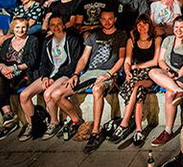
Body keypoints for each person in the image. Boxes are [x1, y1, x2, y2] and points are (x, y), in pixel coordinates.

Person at [46, 9, 127, 153]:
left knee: (97, 89)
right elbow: (84, 58)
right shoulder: (93, 35)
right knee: (56, 95)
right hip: (89, 73)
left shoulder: (120, 35)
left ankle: (95, 132)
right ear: (100, 20)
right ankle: (77, 121)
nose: (107, 22)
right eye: (103, 19)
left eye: (110, 19)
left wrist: (109, 74)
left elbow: (121, 59)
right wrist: (76, 74)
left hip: (108, 74)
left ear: (115, 19)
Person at [17, 14, 82, 141]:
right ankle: (33, 125)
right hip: (50, 75)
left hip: (64, 75)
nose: (56, 27)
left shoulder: (73, 39)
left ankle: (54, 122)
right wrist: (46, 76)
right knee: (24, 95)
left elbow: (74, 63)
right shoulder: (47, 41)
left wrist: (54, 77)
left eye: (59, 24)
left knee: (48, 94)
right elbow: (44, 62)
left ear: (63, 25)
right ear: (49, 27)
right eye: (53, 25)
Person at [148, 16, 183, 146]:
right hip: (170, 72)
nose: (178, 30)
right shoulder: (168, 40)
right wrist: (168, 71)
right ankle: (178, 90)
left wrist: (178, 75)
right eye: (176, 27)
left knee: (169, 94)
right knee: (152, 72)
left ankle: (168, 130)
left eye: (182, 27)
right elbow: (160, 61)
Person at [111, 15, 161, 146]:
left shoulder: (156, 39)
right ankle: (138, 130)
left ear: (150, 25)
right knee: (137, 89)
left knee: (137, 85)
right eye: (139, 24)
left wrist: (136, 66)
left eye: (145, 24)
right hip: (135, 74)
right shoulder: (131, 40)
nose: (142, 27)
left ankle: (124, 123)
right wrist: (127, 71)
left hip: (151, 73)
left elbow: (155, 61)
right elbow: (127, 61)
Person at [0, 18, 41, 141]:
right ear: (13, 28)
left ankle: (21, 123)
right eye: (17, 27)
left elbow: (31, 62)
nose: (20, 30)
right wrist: (4, 70)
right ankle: (8, 115)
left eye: (23, 27)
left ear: (27, 28)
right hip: (9, 72)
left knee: (3, 84)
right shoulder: (7, 42)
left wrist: (12, 69)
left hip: (24, 73)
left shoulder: (33, 40)